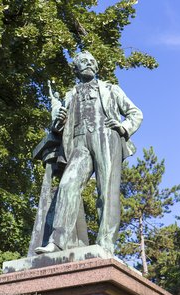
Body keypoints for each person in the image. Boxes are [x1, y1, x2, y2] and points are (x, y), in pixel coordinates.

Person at [35, 51, 143, 255]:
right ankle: (57, 242)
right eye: (83, 62)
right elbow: (59, 128)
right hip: (78, 142)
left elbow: (135, 113)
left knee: (107, 192)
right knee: (67, 186)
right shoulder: (70, 94)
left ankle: (106, 244)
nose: (89, 64)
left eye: (92, 61)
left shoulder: (111, 89)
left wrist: (123, 127)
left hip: (106, 137)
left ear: (97, 67)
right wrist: (58, 120)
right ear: (75, 68)